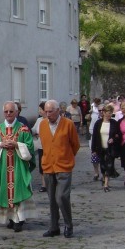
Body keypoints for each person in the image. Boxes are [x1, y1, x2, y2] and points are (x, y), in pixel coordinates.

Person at [0, 102, 38, 232]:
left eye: (11, 111)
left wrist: (17, 145)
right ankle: (10, 218)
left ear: (17, 112)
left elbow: (30, 147)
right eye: (6, 112)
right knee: (6, 191)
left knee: (18, 190)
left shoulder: (23, 129)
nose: (8, 114)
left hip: (19, 166)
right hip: (3, 167)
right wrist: (0, 145)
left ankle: (19, 219)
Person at [40, 100, 80, 238]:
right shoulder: (42, 124)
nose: (47, 114)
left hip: (64, 166)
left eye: (50, 111)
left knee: (61, 196)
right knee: (51, 199)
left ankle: (68, 225)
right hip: (48, 166)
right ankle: (54, 227)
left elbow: (75, 144)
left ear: (58, 111)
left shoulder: (68, 124)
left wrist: (66, 156)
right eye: (46, 111)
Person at [91, 104, 121, 192]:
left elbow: (118, 134)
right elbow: (95, 137)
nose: (109, 115)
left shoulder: (114, 123)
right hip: (100, 147)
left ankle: (106, 184)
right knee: (103, 165)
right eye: (107, 113)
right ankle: (104, 178)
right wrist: (94, 150)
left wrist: (113, 139)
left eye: (111, 113)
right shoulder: (98, 123)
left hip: (110, 148)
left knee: (109, 164)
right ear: (103, 113)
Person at [31, 101, 47, 193]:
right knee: (42, 165)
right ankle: (44, 184)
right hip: (41, 146)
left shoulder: (50, 120)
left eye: (41, 109)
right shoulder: (39, 120)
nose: (39, 111)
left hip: (50, 147)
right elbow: (33, 130)